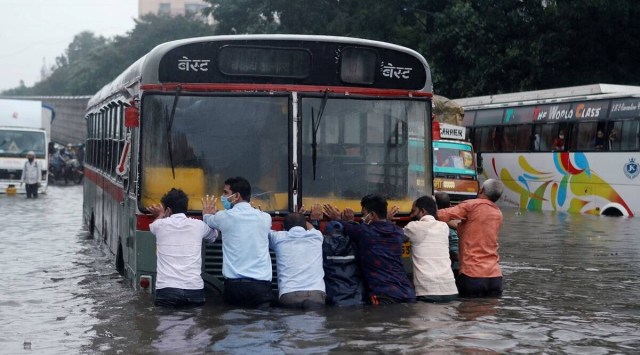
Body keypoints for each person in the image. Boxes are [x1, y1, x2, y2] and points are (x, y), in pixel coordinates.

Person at [323, 194, 415, 305]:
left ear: (372, 215)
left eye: (363, 214)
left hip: (384, 296)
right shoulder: (398, 232)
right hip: (408, 293)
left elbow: (347, 227)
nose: (362, 218)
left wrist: (338, 219)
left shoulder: (364, 232)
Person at [202, 176, 274, 309]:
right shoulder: (265, 218)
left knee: (234, 326)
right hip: (261, 288)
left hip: (235, 287)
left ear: (237, 196)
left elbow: (208, 220)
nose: (223, 197)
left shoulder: (223, 217)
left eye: (225, 193)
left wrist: (206, 213)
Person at [147, 188, 218, 308]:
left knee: (166, 325)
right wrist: (208, 216)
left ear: (168, 210)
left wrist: (160, 215)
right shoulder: (199, 225)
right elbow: (213, 236)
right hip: (194, 290)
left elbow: (154, 226)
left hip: (167, 291)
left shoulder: (159, 225)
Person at [437, 179, 504, 298]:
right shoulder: (498, 213)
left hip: (472, 275)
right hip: (495, 277)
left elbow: (440, 215)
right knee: (489, 314)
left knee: (467, 312)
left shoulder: (471, 205)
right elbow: (470, 230)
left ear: (481, 189)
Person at [402, 196, 458, 303]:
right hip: (450, 291)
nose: (411, 215)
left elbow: (395, 238)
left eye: (413, 211)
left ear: (422, 211)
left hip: (427, 292)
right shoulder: (444, 227)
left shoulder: (412, 227)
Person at [268, 212, 326, 310]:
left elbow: (262, 230)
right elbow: (311, 227)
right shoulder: (316, 236)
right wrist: (304, 218)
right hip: (315, 295)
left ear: (284, 227)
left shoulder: (278, 238)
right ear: (305, 225)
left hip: (289, 296)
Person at [319, 216, 365, 307]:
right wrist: (351, 222)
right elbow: (362, 233)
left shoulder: (322, 245)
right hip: (357, 299)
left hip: (334, 301)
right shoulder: (355, 244)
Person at [434, 192, 460, 278]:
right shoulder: (456, 221)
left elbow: (454, 252)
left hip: (450, 268)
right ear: (450, 205)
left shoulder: (435, 225)